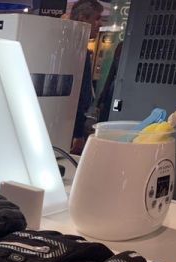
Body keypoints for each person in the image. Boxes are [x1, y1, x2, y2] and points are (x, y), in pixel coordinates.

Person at [69, 0, 103, 155]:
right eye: (97, 18)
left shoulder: (77, 49)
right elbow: (78, 95)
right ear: (83, 18)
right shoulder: (76, 52)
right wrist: (77, 133)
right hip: (69, 127)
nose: (100, 24)